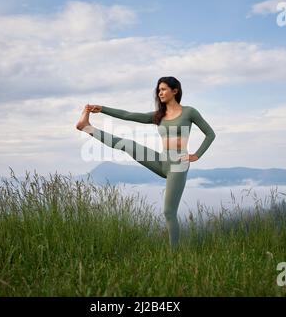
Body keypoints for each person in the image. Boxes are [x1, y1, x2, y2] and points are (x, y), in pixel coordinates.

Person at [76, 76, 216, 249]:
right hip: (162, 160)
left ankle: (175, 256)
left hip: (178, 164)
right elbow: (128, 115)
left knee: (169, 212)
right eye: (159, 90)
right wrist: (103, 109)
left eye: (164, 89)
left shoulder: (189, 112)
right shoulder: (159, 116)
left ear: (175, 90)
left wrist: (196, 155)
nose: (160, 92)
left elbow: (210, 134)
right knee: (127, 145)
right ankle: (86, 127)